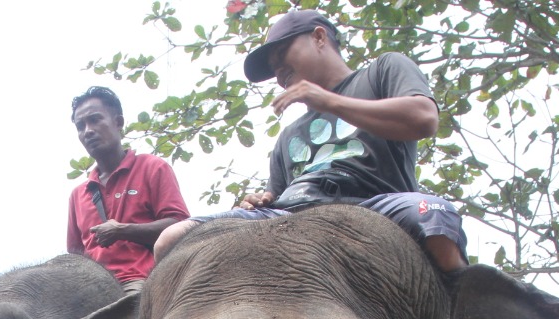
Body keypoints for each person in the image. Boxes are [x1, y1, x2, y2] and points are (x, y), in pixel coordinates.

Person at [153, 10, 467, 273]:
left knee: (435, 213)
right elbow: (275, 196)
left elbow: (423, 118)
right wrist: (259, 200)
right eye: (274, 70)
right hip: (292, 213)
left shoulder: (382, 71)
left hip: (375, 203)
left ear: (318, 38)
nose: (279, 74)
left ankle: (463, 317)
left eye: (282, 57)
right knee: (172, 238)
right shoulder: (287, 137)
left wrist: (330, 101)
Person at [66, 86, 189, 292]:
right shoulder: (78, 194)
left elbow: (181, 227)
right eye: (80, 126)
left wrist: (123, 231)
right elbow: (75, 255)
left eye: (95, 120)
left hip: (142, 280)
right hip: (91, 289)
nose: (87, 131)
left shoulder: (152, 167)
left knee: (131, 304)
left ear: (118, 122)